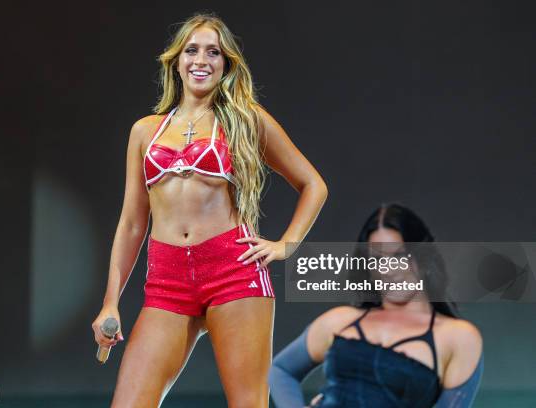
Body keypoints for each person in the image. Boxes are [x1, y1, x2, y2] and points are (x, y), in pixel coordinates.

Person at [91, 13, 328, 408]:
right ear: (176, 60)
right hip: (167, 280)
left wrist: (286, 244)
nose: (201, 60)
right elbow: (133, 223)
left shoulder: (245, 119)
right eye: (192, 50)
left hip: (233, 272)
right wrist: (110, 302)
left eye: (213, 52)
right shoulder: (145, 130)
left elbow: (314, 184)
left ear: (226, 63)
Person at [269, 204, 484, 408]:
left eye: (398, 255)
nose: (388, 269)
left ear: (423, 257)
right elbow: (280, 370)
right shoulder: (341, 320)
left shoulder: (457, 337)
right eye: (377, 259)